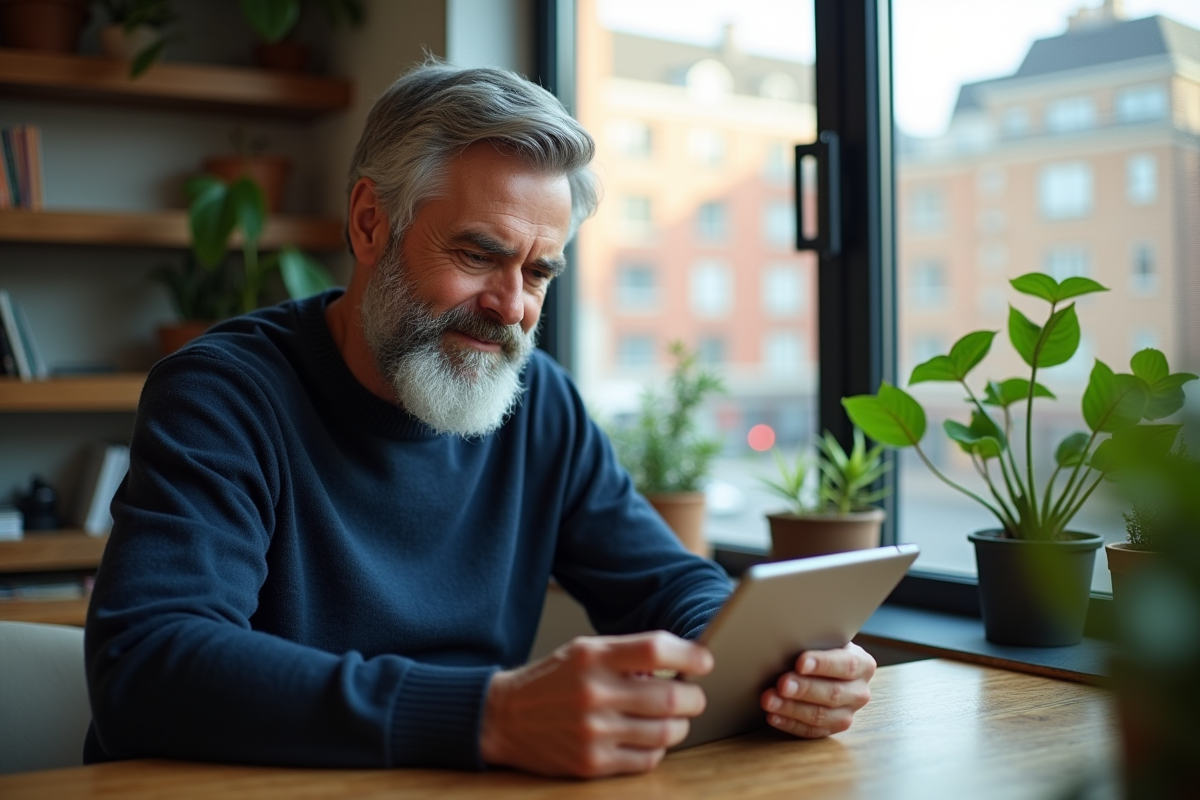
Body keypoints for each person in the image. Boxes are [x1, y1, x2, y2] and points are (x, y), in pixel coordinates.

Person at [83, 61, 876, 779]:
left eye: (538, 271)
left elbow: (666, 583)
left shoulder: (540, 403)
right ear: (369, 223)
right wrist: (490, 715)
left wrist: (783, 667)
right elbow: (149, 665)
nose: (512, 309)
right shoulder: (224, 394)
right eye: (476, 254)